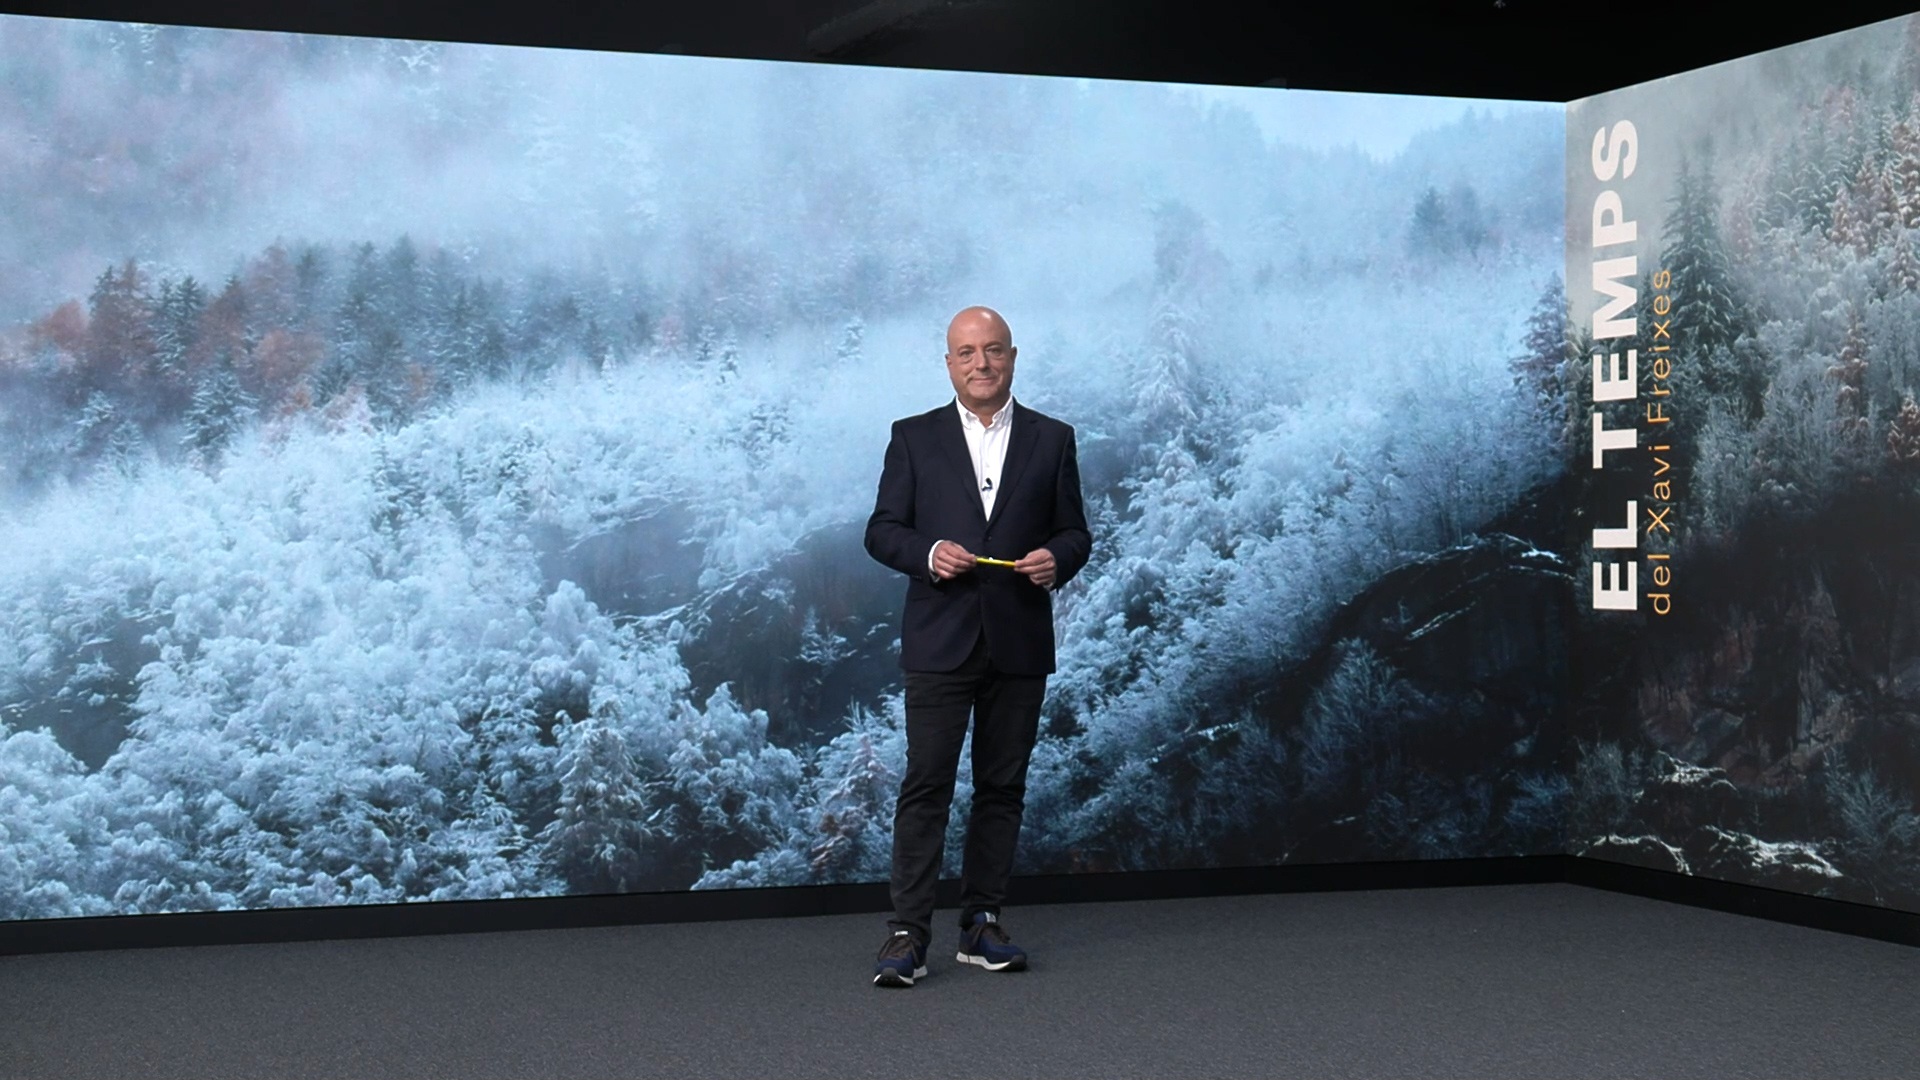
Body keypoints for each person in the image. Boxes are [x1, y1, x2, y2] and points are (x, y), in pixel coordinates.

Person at [863, 305, 1092, 987]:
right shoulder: (913, 437)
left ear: (1013, 357)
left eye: (992, 351)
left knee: (1002, 788)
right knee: (926, 786)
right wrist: (929, 551)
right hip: (940, 640)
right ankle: (907, 935)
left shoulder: (1054, 439)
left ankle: (981, 923)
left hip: (1019, 639)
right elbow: (881, 531)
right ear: (949, 364)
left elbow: (1076, 532)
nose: (981, 364)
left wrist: (1058, 557)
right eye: (967, 353)